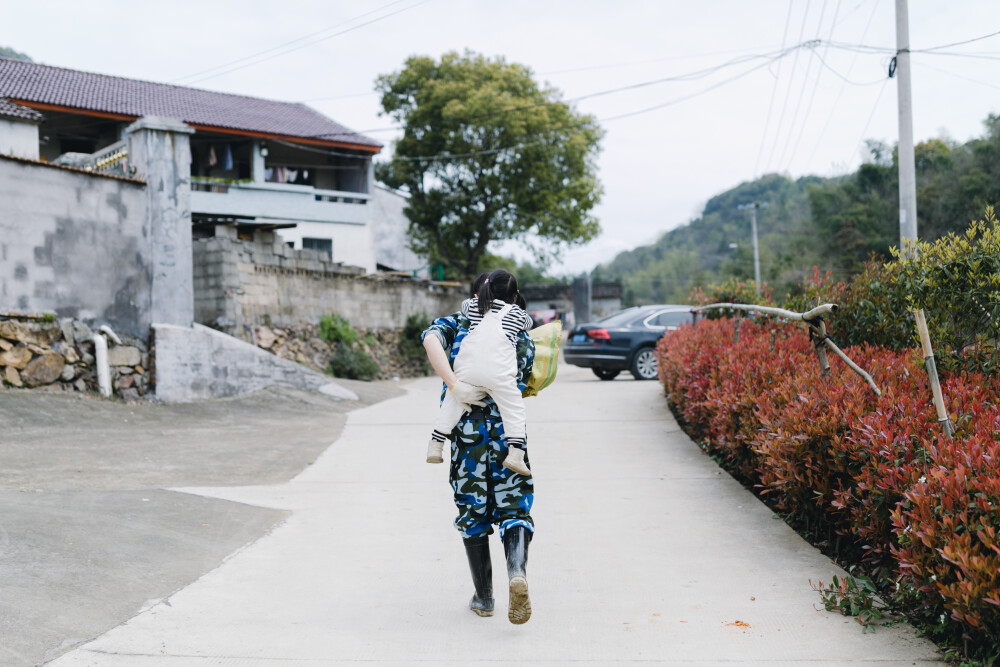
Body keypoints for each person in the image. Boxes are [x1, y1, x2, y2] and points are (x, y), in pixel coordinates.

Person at [421, 272, 535, 624]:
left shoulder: (460, 321)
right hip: (506, 438)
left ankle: (484, 598)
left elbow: (429, 339)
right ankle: (517, 571)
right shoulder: (518, 333)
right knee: (515, 508)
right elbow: (526, 378)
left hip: (467, 437)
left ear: (476, 294)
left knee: (473, 516)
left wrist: (454, 385)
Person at [426, 269, 533, 476]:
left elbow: (465, 306)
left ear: (481, 292)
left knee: (451, 402)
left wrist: (454, 386)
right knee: (515, 409)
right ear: (515, 294)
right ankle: (516, 454)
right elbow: (528, 324)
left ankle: (436, 442)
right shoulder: (518, 318)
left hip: (467, 376)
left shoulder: (470, 310)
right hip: (499, 386)